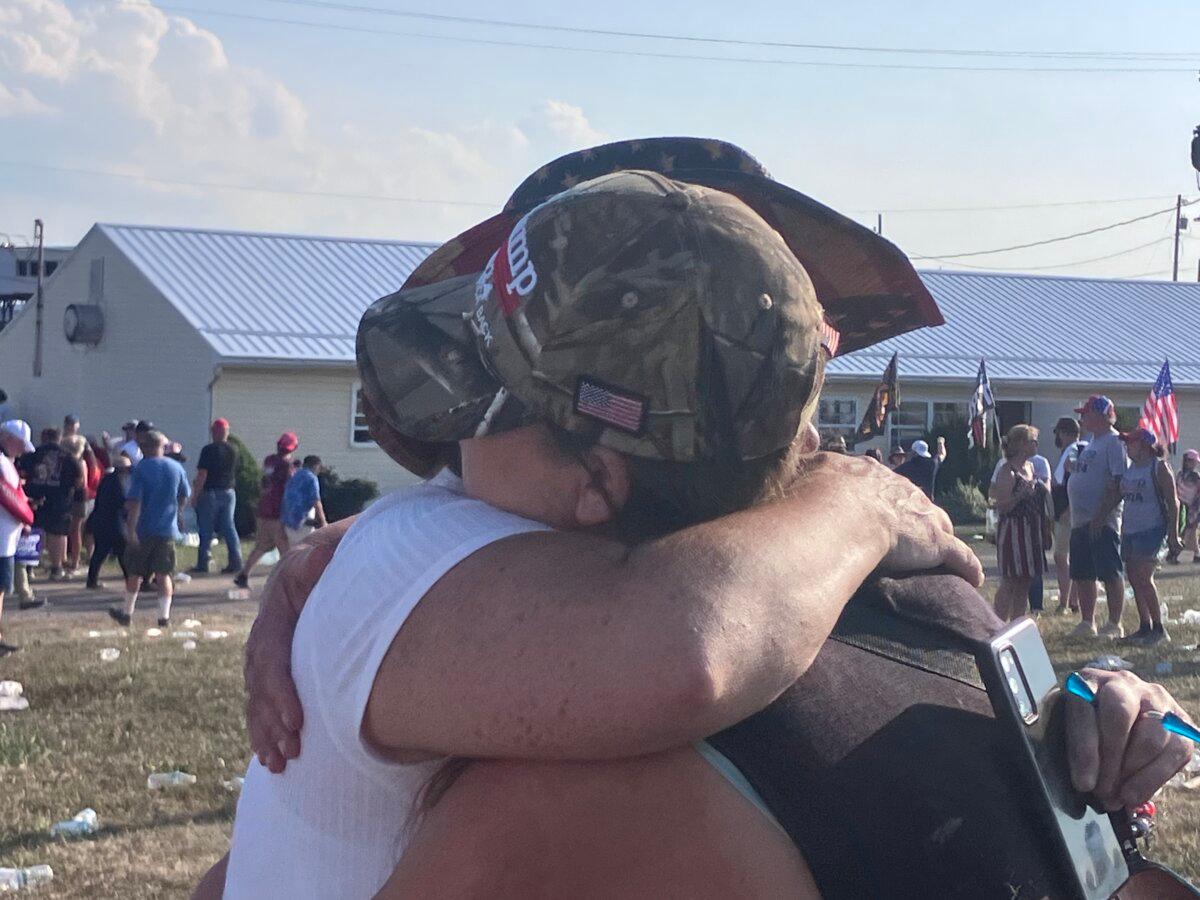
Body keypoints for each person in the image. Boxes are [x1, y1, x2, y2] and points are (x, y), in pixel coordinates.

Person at [208, 169, 984, 898]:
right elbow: (691, 644)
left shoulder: (746, 592)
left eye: (482, 409)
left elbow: (688, 636)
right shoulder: (404, 556)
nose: (447, 449)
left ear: (596, 480)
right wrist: (861, 507)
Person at [109, 430, 190, 628]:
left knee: (135, 573)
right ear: (162, 446)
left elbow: (135, 501)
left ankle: (127, 613)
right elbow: (184, 495)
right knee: (164, 574)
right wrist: (177, 513)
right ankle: (163, 617)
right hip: (167, 529)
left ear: (145, 447)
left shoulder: (142, 468)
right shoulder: (176, 468)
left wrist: (131, 529)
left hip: (144, 528)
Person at [1067, 396, 1128, 640]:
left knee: (1110, 571)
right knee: (1083, 573)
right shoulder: (1092, 443)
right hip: (1080, 519)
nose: (1082, 418)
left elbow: (1117, 482)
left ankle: (1114, 623)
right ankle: (1087, 621)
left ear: (1102, 415)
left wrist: (1101, 515)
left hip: (1102, 520)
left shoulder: (1114, 442)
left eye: (1087, 413)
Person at [1118, 428, 1181, 646]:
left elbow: (1173, 502)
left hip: (1152, 529)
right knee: (1134, 578)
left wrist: (1173, 534)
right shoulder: (1131, 469)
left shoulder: (1159, 467)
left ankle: (1159, 628)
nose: (1127, 447)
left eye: (1131, 443)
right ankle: (1144, 626)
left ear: (1144, 445)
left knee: (1145, 577)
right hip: (1131, 530)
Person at [992, 425, 1051, 622]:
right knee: (1010, 580)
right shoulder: (1007, 471)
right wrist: (1019, 496)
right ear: (1022, 444)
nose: (1037, 445)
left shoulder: (1031, 467)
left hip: (1032, 530)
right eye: (1033, 441)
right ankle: (997, 624)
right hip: (1013, 531)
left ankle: (1017, 621)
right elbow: (1002, 506)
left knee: (1026, 580)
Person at [232, 433, 296, 589]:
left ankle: (244, 573)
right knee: (283, 546)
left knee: (263, 544)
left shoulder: (269, 461)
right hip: (277, 510)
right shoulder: (286, 465)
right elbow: (290, 485)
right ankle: (288, 579)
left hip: (264, 507)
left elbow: (264, 482)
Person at [23, 427, 84, 580]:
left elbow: (22, 474)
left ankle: (30, 567)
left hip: (35, 498)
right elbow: (79, 480)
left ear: (44, 437)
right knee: (57, 533)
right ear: (59, 438)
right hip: (60, 500)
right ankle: (56, 568)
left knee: (34, 531)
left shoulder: (33, 455)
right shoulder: (68, 457)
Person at [0, 420, 35, 656]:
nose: (23, 450)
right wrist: (25, 516)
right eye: (21, 444)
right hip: (1, 538)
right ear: (8, 439)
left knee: (2, 588)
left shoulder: (7, 463)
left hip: (7, 538)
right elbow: (6, 496)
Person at [190, 418, 243, 576]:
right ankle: (236, 561)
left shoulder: (209, 450)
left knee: (206, 528)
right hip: (229, 491)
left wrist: (195, 495)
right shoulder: (234, 449)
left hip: (211, 492)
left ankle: (203, 562)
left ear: (215, 432)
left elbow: (202, 474)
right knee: (229, 526)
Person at [1050, 416, 1087, 613]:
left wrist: (1069, 509)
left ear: (1064, 433)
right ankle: (1074, 600)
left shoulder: (1074, 450)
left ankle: (1065, 601)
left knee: (1061, 557)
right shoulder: (1072, 450)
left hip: (1067, 512)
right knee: (1070, 557)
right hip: (1066, 510)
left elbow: (1075, 479)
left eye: (1057, 432)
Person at [86, 456, 131, 590]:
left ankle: (91, 580)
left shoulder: (106, 479)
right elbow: (121, 502)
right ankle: (130, 581)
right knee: (123, 552)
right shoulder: (120, 481)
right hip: (115, 523)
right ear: (123, 469)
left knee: (99, 553)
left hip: (100, 521)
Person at [280, 455, 326, 547]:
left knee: (294, 551)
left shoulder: (294, 476)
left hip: (288, 521)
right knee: (307, 550)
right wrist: (323, 522)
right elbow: (316, 501)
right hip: (303, 521)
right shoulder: (311, 478)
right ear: (315, 466)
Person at [1173, 448, 1200, 563]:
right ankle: (1192, 552)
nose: (1194, 464)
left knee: (1191, 529)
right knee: (1183, 529)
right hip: (1181, 505)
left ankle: (1195, 552)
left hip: (1194, 506)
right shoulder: (1180, 475)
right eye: (1192, 461)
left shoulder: (1196, 476)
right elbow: (1177, 489)